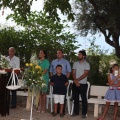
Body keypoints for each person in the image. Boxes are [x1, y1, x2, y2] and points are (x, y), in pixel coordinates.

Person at [50, 49, 71, 114]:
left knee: (62, 97)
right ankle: (55, 111)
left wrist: (64, 81)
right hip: (55, 81)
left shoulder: (66, 62)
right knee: (56, 97)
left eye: (59, 53)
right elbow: (51, 71)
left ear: (62, 54)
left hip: (63, 81)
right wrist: (52, 79)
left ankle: (62, 111)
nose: (58, 54)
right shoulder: (53, 61)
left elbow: (69, 71)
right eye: (57, 53)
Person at [72, 50, 90, 118]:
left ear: (83, 56)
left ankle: (84, 113)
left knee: (83, 99)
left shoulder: (87, 64)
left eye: (79, 54)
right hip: (75, 84)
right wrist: (76, 81)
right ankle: (76, 112)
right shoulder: (75, 63)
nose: (78, 55)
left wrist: (77, 80)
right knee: (75, 98)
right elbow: (73, 73)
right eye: (78, 54)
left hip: (83, 84)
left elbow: (85, 74)